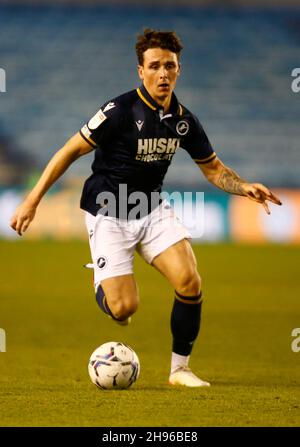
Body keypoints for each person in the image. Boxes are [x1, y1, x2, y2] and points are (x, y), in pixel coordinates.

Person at [10, 29, 282, 387]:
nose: (163, 73)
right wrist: (32, 199)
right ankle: (102, 281)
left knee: (189, 280)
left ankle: (179, 369)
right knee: (124, 309)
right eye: (154, 66)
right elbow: (70, 151)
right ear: (141, 71)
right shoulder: (118, 111)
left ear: (179, 70)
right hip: (109, 210)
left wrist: (244, 186)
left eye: (170, 66)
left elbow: (214, 169)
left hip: (151, 207)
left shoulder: (184, 120)